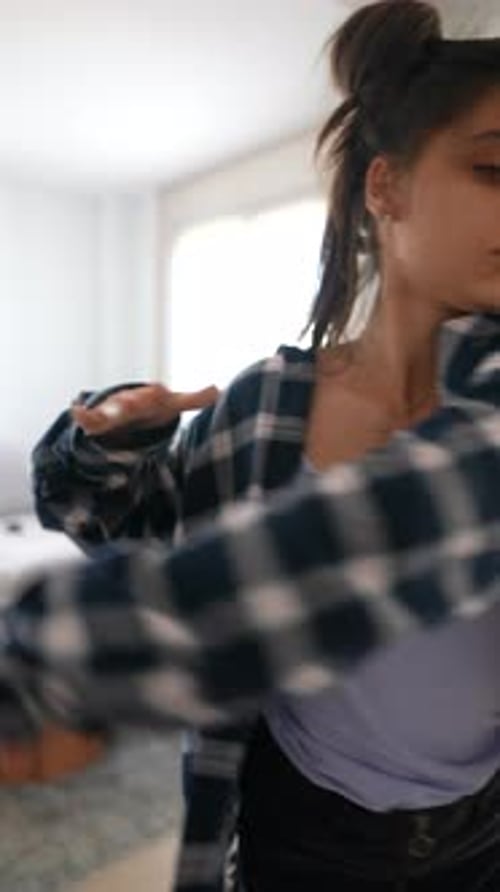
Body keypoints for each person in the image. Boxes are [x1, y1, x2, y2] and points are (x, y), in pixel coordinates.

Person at [5, 0, 500, 889]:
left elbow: (430, 513)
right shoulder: (267, 403)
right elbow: (124, 530)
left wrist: (68, 663)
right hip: (295, 829)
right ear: (385, 188)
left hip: (481, 839)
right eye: (497, 170)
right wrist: (120, 445)